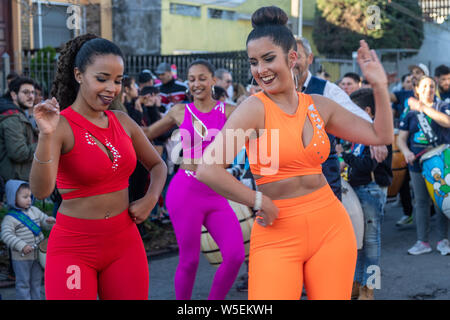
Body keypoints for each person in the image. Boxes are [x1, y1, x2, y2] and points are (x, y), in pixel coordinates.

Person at [196, 6, 393, 300]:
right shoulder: (254, 108)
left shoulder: (318, 105)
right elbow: (208, 169)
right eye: (253, 62)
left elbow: (381, 135)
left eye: (268, 58)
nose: (260, 69)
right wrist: (258, 199)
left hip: (331, 227)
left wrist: (379, 85)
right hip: (277, 232)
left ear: (292, 58)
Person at [29, 34, 167, 300]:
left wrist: (150, 199)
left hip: (125, 243)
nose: (111, 88)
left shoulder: (123, 121)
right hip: (74, 247)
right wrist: (46, 136)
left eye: (118, 81)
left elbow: (158, 165)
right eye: (102, 78)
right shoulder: (60, 125)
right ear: (79, 75)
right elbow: (41, 190)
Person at [144, 59, 245, 300]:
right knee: (189, 261)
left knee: (235, 255)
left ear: (213, 80)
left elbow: (261, 125)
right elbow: (148, 134)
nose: (196, 84)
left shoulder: (229, 111)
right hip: (185, 191)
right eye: (191, 79)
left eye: (202, 78)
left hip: (216, 192)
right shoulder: (180, 111)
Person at [294, 36, 386, 200]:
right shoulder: (276, 91)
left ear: (309, 58)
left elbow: (353, 112)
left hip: (324, 177)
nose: (292, 62)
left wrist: (374, 138)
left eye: (297, 56)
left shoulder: (327, 89)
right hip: (290, 180)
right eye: (287, 57)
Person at [338, 88, 393, 300]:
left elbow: (366, 164)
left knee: (371, 242)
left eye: (354, 110)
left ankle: (369, 288)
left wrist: (346, 156)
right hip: (359, 189)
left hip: (371, 190)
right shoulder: (362, 132)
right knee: (357, 242)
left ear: (367, 111)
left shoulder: (379, 134)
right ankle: (357, 282)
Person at [397, 75, 450, 256]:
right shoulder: (409, 112)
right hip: (417, 163)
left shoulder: (442, 106)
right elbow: (401, 139)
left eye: (431, 86)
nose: (429, 90)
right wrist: (406, 152)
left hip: (440, 161)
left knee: (440, 200)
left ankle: (443, 240)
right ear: (417, 89)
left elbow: (447, 122)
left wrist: (422, 108)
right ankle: (422, 241)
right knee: (421, 202)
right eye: (425, 86)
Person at [1, 180, 55, 300]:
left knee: (36, 282)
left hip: (36, 256)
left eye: (30, 196)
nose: (29, 199)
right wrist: (21, 245)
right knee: (23, 284)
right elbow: (6, 235)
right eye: (25, 197)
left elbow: (44, 221)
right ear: (13, 198)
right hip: (21, 258)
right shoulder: (10, 219)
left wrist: (49, 222)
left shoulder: (34, 210)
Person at [0, 77, 38, 182]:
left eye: (32, 92)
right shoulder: (13, 119)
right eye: (26, 92)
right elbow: (19, 153)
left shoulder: (15, 114)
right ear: (13, 95)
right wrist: (44, 141)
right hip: (16, 181)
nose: (31, 97)